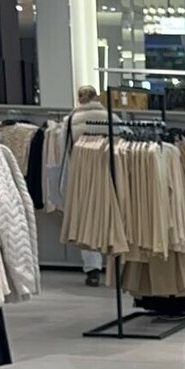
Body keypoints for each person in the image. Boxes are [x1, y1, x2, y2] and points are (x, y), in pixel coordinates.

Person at [67, 85, 118, 285]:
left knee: (87, 222)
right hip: (110, 173)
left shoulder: (71, 120)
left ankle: (93, 270)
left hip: (83, 176)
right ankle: (116, 267)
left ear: (79, 99)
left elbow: (65, 150)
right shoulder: (112, 118)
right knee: (113, 220)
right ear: (97, 97)